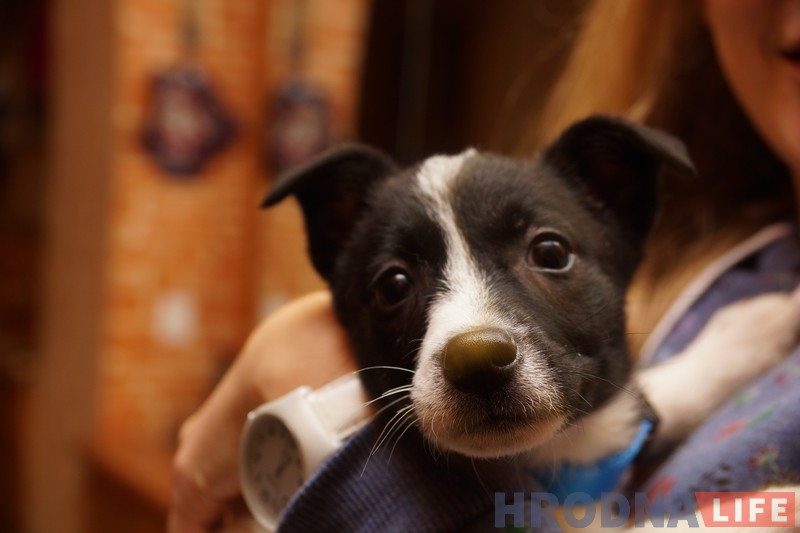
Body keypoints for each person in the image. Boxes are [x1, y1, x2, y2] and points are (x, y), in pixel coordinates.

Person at [168, 1, 800, 531]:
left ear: (622, 206)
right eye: (395, 285)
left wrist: (315, 417)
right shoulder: (732, 271)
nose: (472, 343)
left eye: (547, 256)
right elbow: (597, 459)